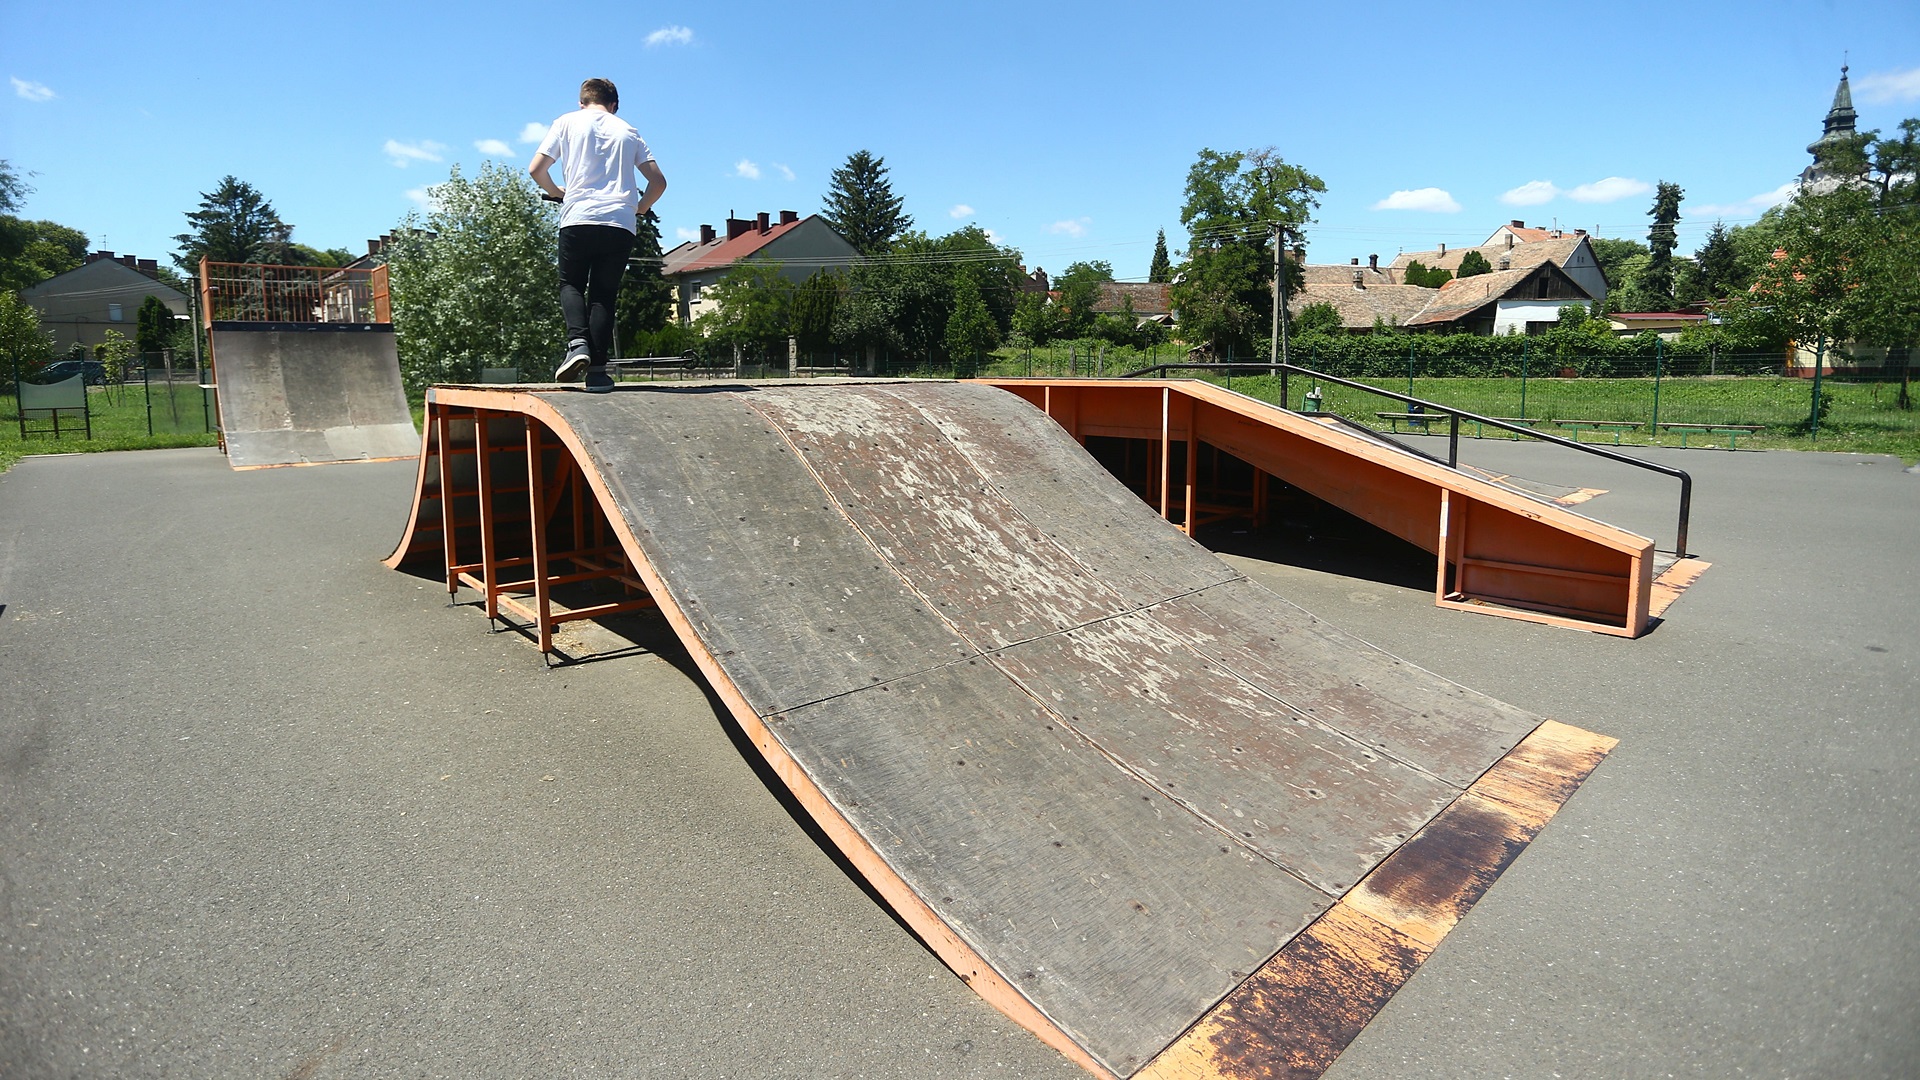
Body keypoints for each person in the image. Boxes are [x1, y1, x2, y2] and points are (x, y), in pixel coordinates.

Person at [528, 78, 666, 392]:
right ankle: (599, 374)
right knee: (603, 295)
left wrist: (558, 193)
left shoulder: (566, 123)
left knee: (572, 283)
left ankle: (578, 345)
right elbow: (658, 182)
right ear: (614, 104)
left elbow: (536, 169)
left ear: (582, 102)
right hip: (619, 222)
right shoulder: (628, 130)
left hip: (578, 218)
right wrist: (640, 208)